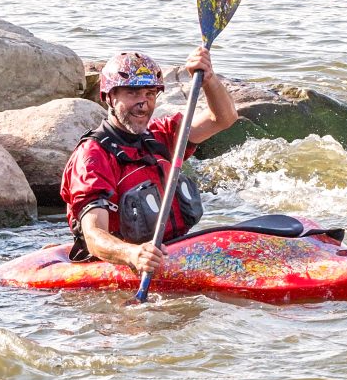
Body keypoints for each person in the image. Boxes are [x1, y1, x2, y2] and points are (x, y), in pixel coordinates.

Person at [60, 48, 239, 280]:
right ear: (109, 97)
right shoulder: (93, 156)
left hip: (170, 251)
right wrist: (132, 254)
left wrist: (209, 79)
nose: (143, 104)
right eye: (133, 93)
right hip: (119, 264)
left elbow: (224, 118)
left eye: (150, 94)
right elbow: (94, 235)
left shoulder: (161, 136)